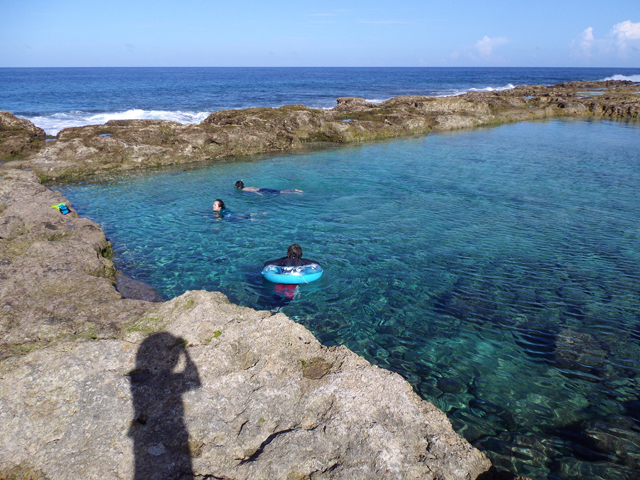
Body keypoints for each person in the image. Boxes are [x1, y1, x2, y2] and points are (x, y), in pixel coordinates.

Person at [235, 180, 302, 195]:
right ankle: (294, 190)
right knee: (279, 191)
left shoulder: (244, 190)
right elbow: (255, 188)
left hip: (261, 191)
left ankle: (294, 192)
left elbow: (254, 191)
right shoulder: (247, 187)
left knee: (280, 192)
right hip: (262, 189)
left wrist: (260, 194)